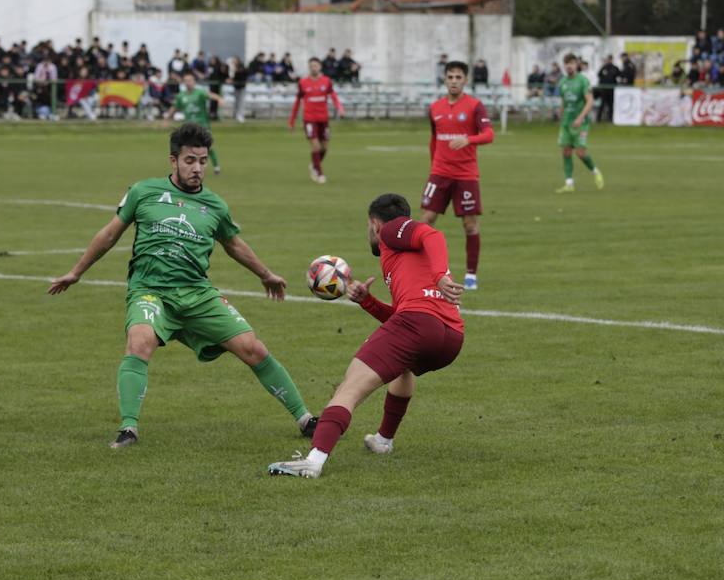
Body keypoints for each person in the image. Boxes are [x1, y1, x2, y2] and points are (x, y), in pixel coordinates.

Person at [49, 123, 316, 448]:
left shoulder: (215, 205)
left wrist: (266, 274)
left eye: (203, 161)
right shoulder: (143, 191)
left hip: (197, 293)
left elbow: (234, 244)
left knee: (253, 348)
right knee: (139, 342)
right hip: (150, 291)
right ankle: (128, 429)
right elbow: (108, 235)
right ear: (173, 161)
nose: (198, 168)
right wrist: (76, 272)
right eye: (190, 160)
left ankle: (305, 420)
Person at [267, 193, 464, 479]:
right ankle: (383, 441)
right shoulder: (406, 256)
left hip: (419, 324)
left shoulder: (391, 230)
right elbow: (408, 321)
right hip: (450, 337)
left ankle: (314, 460)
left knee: (350, 388)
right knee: (402, 364)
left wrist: (440, 276)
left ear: (374, 223)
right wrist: (368, 302)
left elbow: (431, 233)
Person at [418, 60, 494, 292]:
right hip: (440, 173)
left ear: (466, 80)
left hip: (466, 175)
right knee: (424, 221)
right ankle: (421, 270)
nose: (454, 81)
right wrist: (434, 166)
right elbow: (433, 139)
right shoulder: (435, 107)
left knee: (470, 224)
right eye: (450, 77)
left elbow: (489, 134)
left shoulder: (474, 106)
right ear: (444, 79)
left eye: (458, 77)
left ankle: (471, 274)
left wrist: (469, 139)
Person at [289, 57, 344, 184]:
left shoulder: (326, 81)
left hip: (323, 119)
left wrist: (340, 108)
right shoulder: (303, 82)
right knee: (315, 146)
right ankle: (319, 173)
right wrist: (291, 121)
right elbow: (297, 102)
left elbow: (333, 96)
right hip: (309, 119)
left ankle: (314, 164)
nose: (313, 68)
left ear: (320, 67)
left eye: (315, 65)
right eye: (311, 66)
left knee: (324, 148)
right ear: (309, 67)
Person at [555, 55, 604, 193]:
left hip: (581, 123)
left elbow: (590, 101)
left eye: (571, 63)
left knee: (580, 153)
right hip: (566, 123)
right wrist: (561, 113)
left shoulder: (583, 81)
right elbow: (564, 101)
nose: (568, 66)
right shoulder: (563, 82)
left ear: (576, 64)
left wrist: (580, 117)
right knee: (566, 151)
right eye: (566, 63)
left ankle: (595, 172)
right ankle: (569, 183)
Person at [172, 73, 224, 174]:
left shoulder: (199, 93)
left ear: (194, 82)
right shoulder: (181, 96)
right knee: (186, 148)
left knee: (208, 147)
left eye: (190, 80)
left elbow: (210, 95)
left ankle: (216, 166)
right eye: (186, 80)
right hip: (189, 127)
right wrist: (166, 117)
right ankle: (187, 168)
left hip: (202, 125)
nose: (188, 83)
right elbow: (175, 107)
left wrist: (219, 98)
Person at [596, 55, 620, 123]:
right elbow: (599, 75)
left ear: (612, 60)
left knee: (611, 104)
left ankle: (611, 118)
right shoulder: (604, 67)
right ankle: (598, 118)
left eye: (610, 59)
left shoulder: (615, 68)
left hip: (612, 90)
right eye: (608, 59)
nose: (609, 61)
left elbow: (619, 76)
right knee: (602, 104)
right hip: (604, 89)